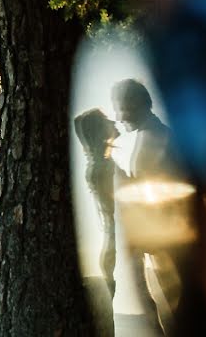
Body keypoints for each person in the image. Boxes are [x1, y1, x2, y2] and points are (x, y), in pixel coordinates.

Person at [112, 79, 179, 336]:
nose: (118, 118)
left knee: (174, 315)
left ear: (135, 104)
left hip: (167, 245)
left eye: (120, 108)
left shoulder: (156, 136)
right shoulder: (150, 133)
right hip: (160, 245)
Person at [74, 108, 119, 298]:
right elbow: (78, 122)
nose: (113, 123)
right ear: (100, 131)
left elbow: (77, 121)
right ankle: (108, 279)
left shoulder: (98, 156)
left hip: (97, 172)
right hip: (99, 174)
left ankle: (108, 278)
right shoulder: (101, 161)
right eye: (107, 121)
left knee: (110, 226)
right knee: (110, 226)